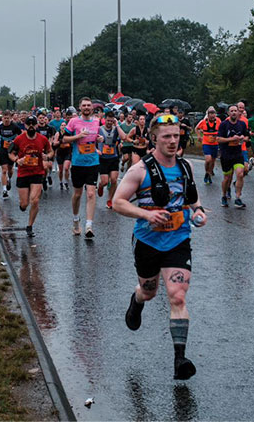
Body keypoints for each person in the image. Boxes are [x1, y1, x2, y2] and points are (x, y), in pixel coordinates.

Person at [113, 113, 207, 379]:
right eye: (167, 136)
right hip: (147, 241)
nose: (173, 141)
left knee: (177, 295)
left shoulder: (186, 166)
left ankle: (180, 359)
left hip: (178, 239)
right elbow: (118, 202)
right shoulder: (140, 170)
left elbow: (192, 197)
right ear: (154, 138)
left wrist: (198, 211)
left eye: (176, 136)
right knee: (149, 291)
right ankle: (137, 300)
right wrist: (146, 215)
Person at [63, 97, 101, 238]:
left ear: (92, 108)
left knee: (91, 193)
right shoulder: (73, 121)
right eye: (84, 105)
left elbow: (96, 137)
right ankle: (75, 220)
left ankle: (89, 225)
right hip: (78, 163)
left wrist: (99, 139)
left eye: (88, 105)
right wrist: (78, 136)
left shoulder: (97, 121)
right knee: (77, 194)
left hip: (93, 162)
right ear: (80, 107)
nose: (86, 107)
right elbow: (64, 139)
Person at [10, 115, 53, 237]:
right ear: (25, 125)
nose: (31, 126)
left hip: (37, 172)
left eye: (33, 124)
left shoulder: (43, 139)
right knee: (24, 204)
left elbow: (50, 151)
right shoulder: (19, 139)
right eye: (28, 124)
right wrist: (17, 160)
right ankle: (23, 205)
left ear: (36, 125)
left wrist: (47, 156)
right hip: (23, 173)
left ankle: (29, 226)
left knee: (35, 200)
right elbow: (11, 153)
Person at [217, 105, 248, 208]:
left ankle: (238, 198)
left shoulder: (242, 124)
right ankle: (224, 196)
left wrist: (243, 138)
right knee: (227, 177)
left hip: (237, 154)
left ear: (238, 112)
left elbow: (247, 136)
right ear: (228, 113)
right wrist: (231, 139)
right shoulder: (224, 125)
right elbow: (219, 139)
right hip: (226, 154)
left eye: (236, 110)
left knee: (240, 174)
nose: (234, 112)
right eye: (232, 111)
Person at [97, 110, 122, 209]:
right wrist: (96, 149)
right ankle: (100, 185)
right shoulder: (99, 129)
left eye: (111, 121)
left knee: (114, 180)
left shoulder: (116, 129)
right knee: (105, 182)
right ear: (105, 120)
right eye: (108, 121)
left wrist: (118, 125)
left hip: (114, 157)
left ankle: (110, 199)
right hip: (103, 158)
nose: (109, 123)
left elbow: (123, 137)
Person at [0, 112, 22, 199]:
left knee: (10, 170)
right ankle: (4, 190)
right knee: (4, 170)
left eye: (7, 118)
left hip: (12, 151)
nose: (6, 120)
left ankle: (9, 179)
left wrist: (15, 142)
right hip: (3, 150)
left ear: (10, 118)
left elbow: (20, 135)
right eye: (4, 118)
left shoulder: (14, 126)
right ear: (2, 118)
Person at [196, 107, 220, 184]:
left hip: (215, 143)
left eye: (214, 114)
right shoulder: (203, 122)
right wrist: (199, 136)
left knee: (212, 161)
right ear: (208, 114)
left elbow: (222, 128)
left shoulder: (218, 121)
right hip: (206, 143)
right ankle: (207, 172)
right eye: (211, 114)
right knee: (208, 159)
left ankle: (209, 173)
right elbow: (196, 128)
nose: (213, 115)